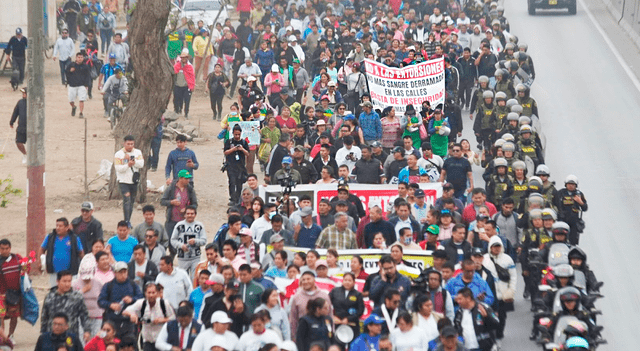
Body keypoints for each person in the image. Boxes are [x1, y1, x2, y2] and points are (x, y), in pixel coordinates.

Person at [122, 282, 176, 351]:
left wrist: (162, 320)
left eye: (153, 292)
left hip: (162, 340)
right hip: (147, 340)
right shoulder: (141, 303)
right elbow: (125, 311)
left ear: (157, 293)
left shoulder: (164, 304)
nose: (151, 295)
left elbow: (174, 318)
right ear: (145, 293)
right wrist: (132, 315)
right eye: (149, 292)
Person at [41, 271, 91, 342]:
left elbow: (84, 315)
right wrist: (43, 334)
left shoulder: (77, 297)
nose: (67, 284)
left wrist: (87, 331)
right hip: (52, 335)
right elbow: (44, 317)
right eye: (64, 281)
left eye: (69, 281)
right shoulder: (50, 297)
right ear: (57, 281)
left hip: (70, 334)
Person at [98, 262, 144, 338]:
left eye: (124, 272)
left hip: (128, 321)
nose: (123, 275)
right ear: (115, 273)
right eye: (120, 272)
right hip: (112, 321)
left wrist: (132, 299)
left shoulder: (133, 285)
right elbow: (100, 301)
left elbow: (141, 298)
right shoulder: (108, 285)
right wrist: (110, 305)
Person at [38, 217, 84, 287]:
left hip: (70, 272)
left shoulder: (74, 238)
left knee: (70, 291)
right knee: (54, 290)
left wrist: (84, 265)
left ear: (67, 227)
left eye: (60, 226)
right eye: (57, 225)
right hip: (54, 272)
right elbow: (42, 249)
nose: (58, 228)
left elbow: (80, 252)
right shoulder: (50, 237)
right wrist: (40, 262)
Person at [161, 170, 198, 254]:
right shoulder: (171, 188)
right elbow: (162, 201)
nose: (188, 180)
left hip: (185, 222)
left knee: (184, 242)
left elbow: (195, 204)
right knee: (169, 241)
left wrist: (187, 209)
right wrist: (171, 202)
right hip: (171, 220)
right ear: (180, 178)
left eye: (189, 179)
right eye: (186, 178)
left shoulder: (190, 189)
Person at [289, 271, 333, 339]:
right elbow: (293, 319)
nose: (306, 281)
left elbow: (330, 315)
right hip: (304, 335)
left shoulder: (324, 296)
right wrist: (294, 337)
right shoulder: (296, 297)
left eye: (308, 279)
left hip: (322, 336)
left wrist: (331, 334)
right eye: (303, 280)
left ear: (314, 280)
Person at [114, 135, 144, 224]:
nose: (130, 146)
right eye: (128, 144)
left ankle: (128, 220)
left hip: (134, 181)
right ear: (124, 143)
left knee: (131, 201)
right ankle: (126, 221)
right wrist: (128, 165)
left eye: (132, 144)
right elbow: (118, 168)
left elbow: (141, 164)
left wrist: (133, 161)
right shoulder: (118, 154)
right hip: (123, 181)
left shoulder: (138, 152)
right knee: (126, 199)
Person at [170, 205, 207, 279]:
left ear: (195, 214)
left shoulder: (199, 226)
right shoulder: (179, 225)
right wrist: (181, 246)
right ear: (184, 214)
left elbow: (204, 240)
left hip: (195, 257)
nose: (190, 215)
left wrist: (195, 241)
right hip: (182, 257)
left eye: (192, 214)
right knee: (183, 278)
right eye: (188, 213)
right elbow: (173, 240)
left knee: (195, 278)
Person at [72, 261, 104, 338]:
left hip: (97, 316)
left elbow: (103, 298)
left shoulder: (99, 282)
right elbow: (71, 300)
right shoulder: (74, 283)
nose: (87, 279)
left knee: (96, 338)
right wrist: (82, 291)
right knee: (82, 339)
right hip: (81, 317)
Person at [554, 175, 588, 245]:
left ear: (576, 185)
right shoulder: (560, 193)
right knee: (561, 240)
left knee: (573, 242)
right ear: (566, 184)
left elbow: (585, 208)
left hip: (574, 222)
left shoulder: (579, 194)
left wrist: (580, 202)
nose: (571, 186)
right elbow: (554, 204)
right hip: (562, 220)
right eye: (569, 184)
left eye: (573, 184)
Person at [329, 272, 364, 338]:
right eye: (345, 280)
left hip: (352, 324)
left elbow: (360, 310)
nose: (347, 282)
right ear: (342, 281)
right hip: (337, 323)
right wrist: (333, 317)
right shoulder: (334, 291)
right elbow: (327, 305)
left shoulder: (358, 294)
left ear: (354, 282)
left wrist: (348, 319)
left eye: (349, 280)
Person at [0, 239, 21, 339]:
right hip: (1, 296)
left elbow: (25, 270)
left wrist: (26, 268)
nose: (4, 251)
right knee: (1, 316)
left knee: (14, 315)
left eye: (6, 248)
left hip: (15, 294)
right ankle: (2, 337)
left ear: (10, 248)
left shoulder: (17, 258)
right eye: (2, 249)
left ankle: (11, 335)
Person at [224, 125, 250, 206]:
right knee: (232, 182)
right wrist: (233, 149)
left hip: (240, 166)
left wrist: (242, 149)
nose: (237, 136)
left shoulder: (243, 142)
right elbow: (225, 152)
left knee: (239, 183)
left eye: (238, 134)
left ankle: (238, 198)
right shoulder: (229, 142)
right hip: (231, 166)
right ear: (233, 133)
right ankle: (232, 198)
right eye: (235, 134)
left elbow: (248, 154)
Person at [65, 52, 91, 118]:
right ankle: (73, 107)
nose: (80, 59)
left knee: (81, 99)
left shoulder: (85, 67)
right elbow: (66, 73)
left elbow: (88, 76)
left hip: (81, 85)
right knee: (71, 100)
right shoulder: (71, 65)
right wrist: (70, 71)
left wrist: (87, 85)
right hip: (72, 85)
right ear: (76, 58)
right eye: (78, 57)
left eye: (81, 57)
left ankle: (81, 113)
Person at [173, 50, 196, 117]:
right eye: (182, 58)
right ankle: (177, 111)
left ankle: (186, 113)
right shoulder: (177, 65)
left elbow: (192, 77)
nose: (183, 59)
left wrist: (192, 86)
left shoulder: (190, 67)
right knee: (177, 99)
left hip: (186, 86)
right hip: (178, 85)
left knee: (187, 100)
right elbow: (174, 73)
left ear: (187, 58)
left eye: (185, 57)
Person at [9, 87, 27, 164]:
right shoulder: (20, 102)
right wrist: (12, 121)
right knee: (18, 142)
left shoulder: (34, 103)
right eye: (22, 93)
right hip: (21, 126)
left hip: (32, 127)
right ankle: (25, 155)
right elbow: (15, 112)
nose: (23, 94)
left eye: (25, 93)